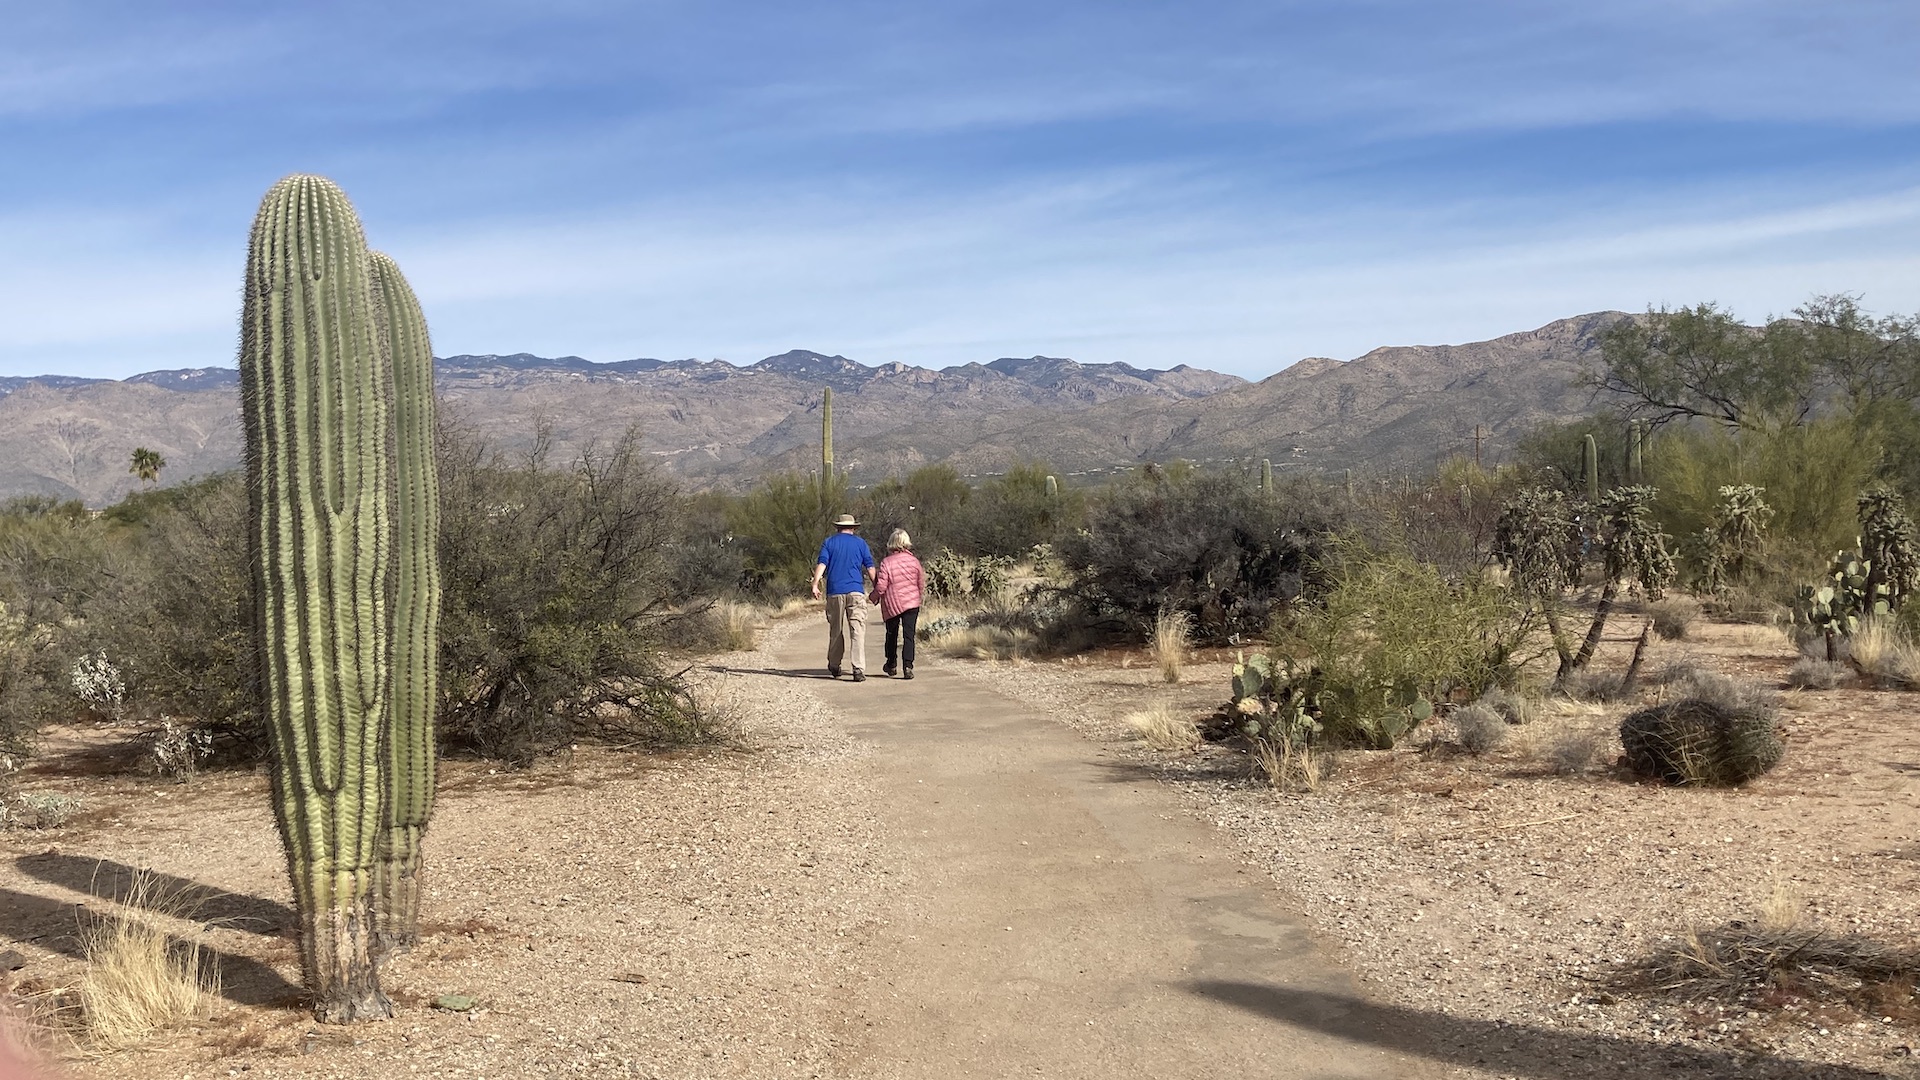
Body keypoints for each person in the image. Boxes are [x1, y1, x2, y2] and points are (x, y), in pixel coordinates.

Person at [811, 513, 875, 680]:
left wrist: (815, 583)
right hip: (855, 590)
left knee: (836, 630)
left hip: (835, 591)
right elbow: (870, 566)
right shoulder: (861, 544)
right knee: (857, 629)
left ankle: (834, 663)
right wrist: (877, 588)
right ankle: (858, 668)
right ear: (853, 528)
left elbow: (822, 563)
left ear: (837, 527)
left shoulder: (829, 542)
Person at [870, 528, 925, 679]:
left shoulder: (886, 563)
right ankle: (908, 666)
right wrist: (917, 597)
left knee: (891, 633)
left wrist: (873, 597)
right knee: (909, 635)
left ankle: (891, 663)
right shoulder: (914, 562)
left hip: (892, 603)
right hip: (912, 603)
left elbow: (881, 586)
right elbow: (920, 582)